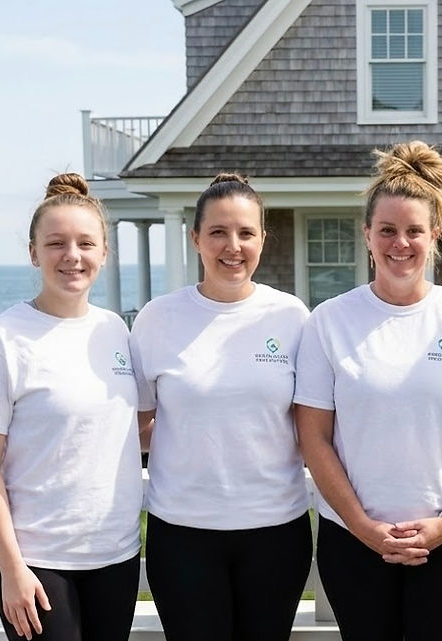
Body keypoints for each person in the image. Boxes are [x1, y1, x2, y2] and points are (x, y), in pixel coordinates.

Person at [294, 140, 442, 641]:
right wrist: (363, 527)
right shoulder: (330, 321)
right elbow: (314, 438)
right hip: (353, 542)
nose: (400, 243)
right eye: (386, 230)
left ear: (434, 235)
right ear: (366, 235)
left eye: (414, 231)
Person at [0, 173, 143, 641]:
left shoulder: (115, 332)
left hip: (115, 555)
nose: (72, 256)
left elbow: (125, 430)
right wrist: (13, 569)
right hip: (37, 563)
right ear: (34, 252)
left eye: (86, 243)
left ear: (104, 252)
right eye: (56, 243)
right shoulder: (0, 339)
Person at [129, 173, 312, 640]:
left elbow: (311, 425)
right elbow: (138, 423)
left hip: (275, 531)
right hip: (183, 533)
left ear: (263, 240)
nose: (233, 246)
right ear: (195, 239)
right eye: (218, 232)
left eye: (246, 233)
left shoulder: (292, 317)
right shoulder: (158, 318)